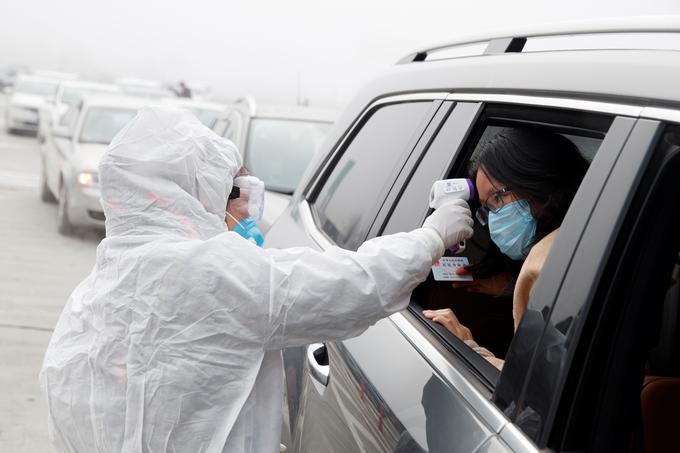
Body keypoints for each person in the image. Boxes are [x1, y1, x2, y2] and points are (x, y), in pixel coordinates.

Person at [39, 107, 473, 453]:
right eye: (232, 192)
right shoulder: (215, 273)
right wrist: (434, 235)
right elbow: (354, 284)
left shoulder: (100, 283)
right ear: (190, 192)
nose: (245, 212)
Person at [423, 127, 589, 369]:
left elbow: (532, 394)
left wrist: (468, 348)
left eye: (497, 198)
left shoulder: (549, 261)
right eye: (486, 209)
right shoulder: (592, 242)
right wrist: (514, 290)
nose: (493, 220)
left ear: (537, 182)